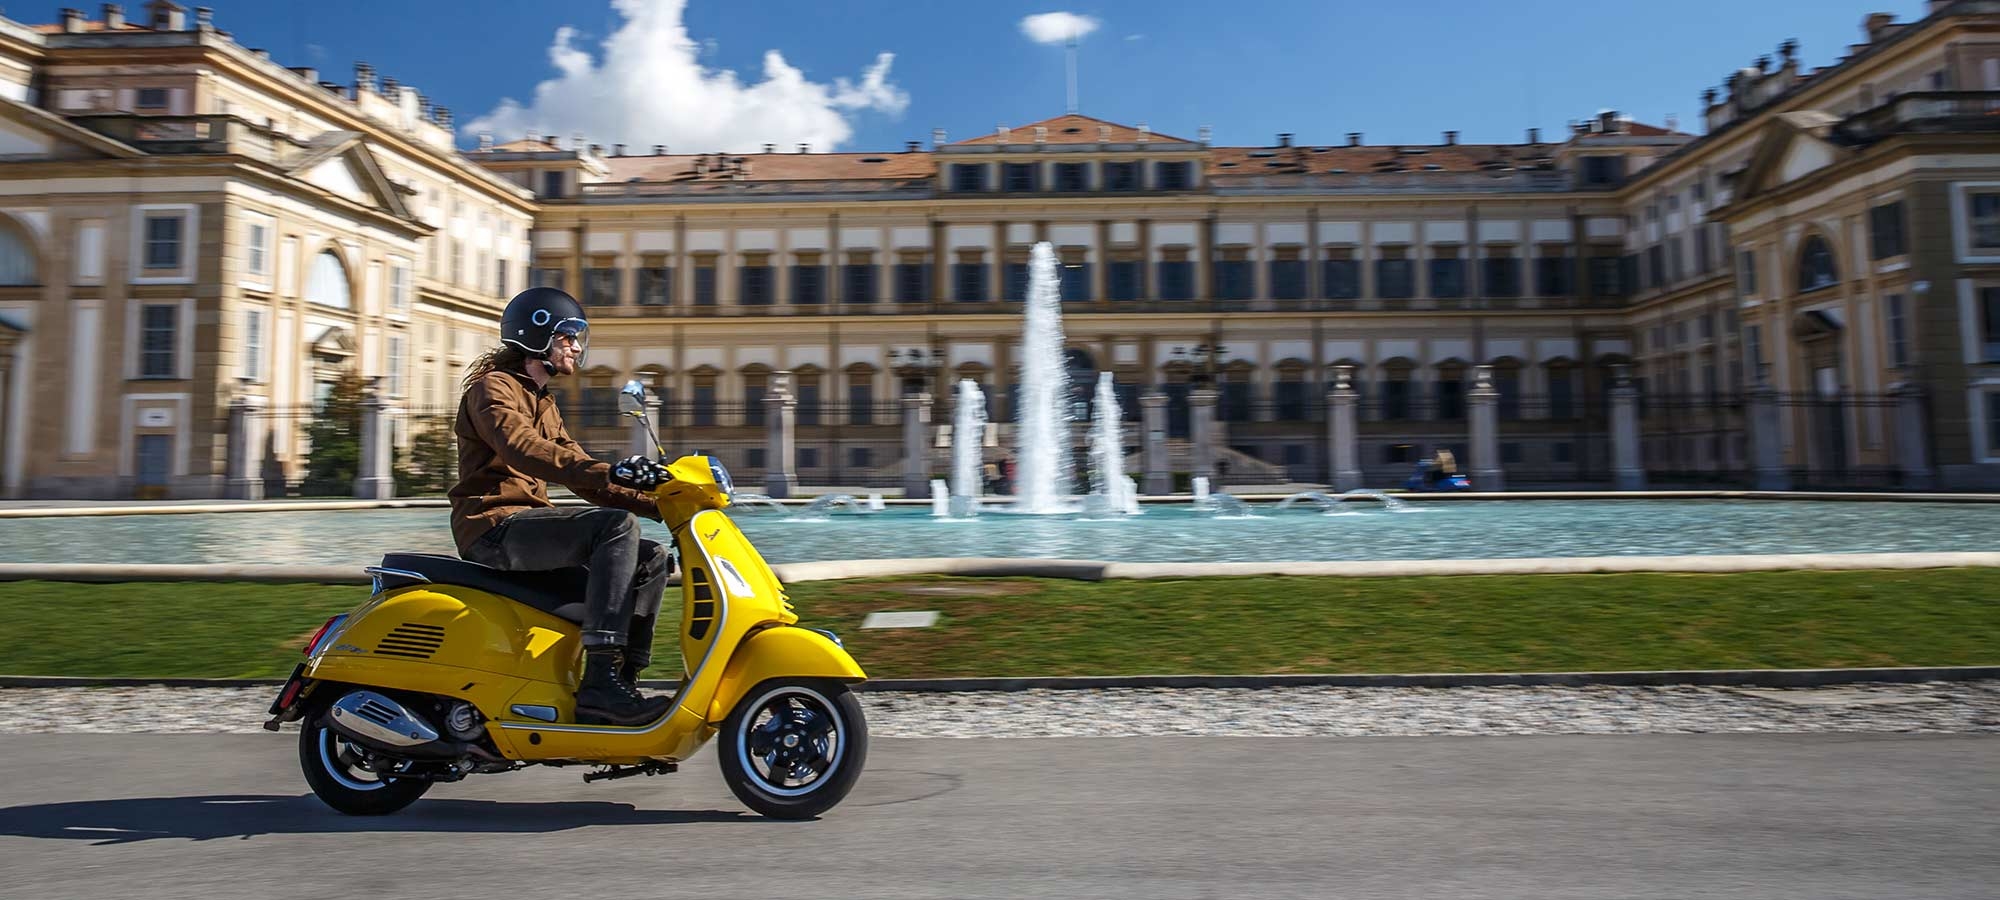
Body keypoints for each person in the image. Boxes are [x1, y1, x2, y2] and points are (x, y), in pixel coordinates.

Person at [448, 287, 675, 726]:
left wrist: (663, 503)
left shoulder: (545, 403)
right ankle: (600, 687)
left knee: (652, 558)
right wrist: (614, 474)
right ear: (536, 336)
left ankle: (620, 679)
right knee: (615, 528)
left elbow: (585, 472)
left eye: (576, 338)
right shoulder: (492, 389)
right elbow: (521, 448)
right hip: (493, 526)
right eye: (567, 336)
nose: (575, 346)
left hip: (523, 524)